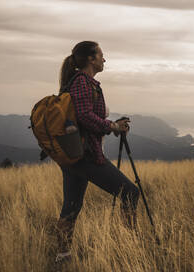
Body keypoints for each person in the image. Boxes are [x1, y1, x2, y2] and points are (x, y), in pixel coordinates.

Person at [54, 41, 140, 263]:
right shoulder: (83, 81)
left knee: (72, 206)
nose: (104, 58)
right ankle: (129, 248)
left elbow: (86, 118)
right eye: (101, 55)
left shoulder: (77, 82)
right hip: (87, 155)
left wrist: (111, 125)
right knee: (130, 192)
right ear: (91, 59)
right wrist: (112, 127)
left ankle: (62, 256)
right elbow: (84, 116)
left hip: (73, 155)